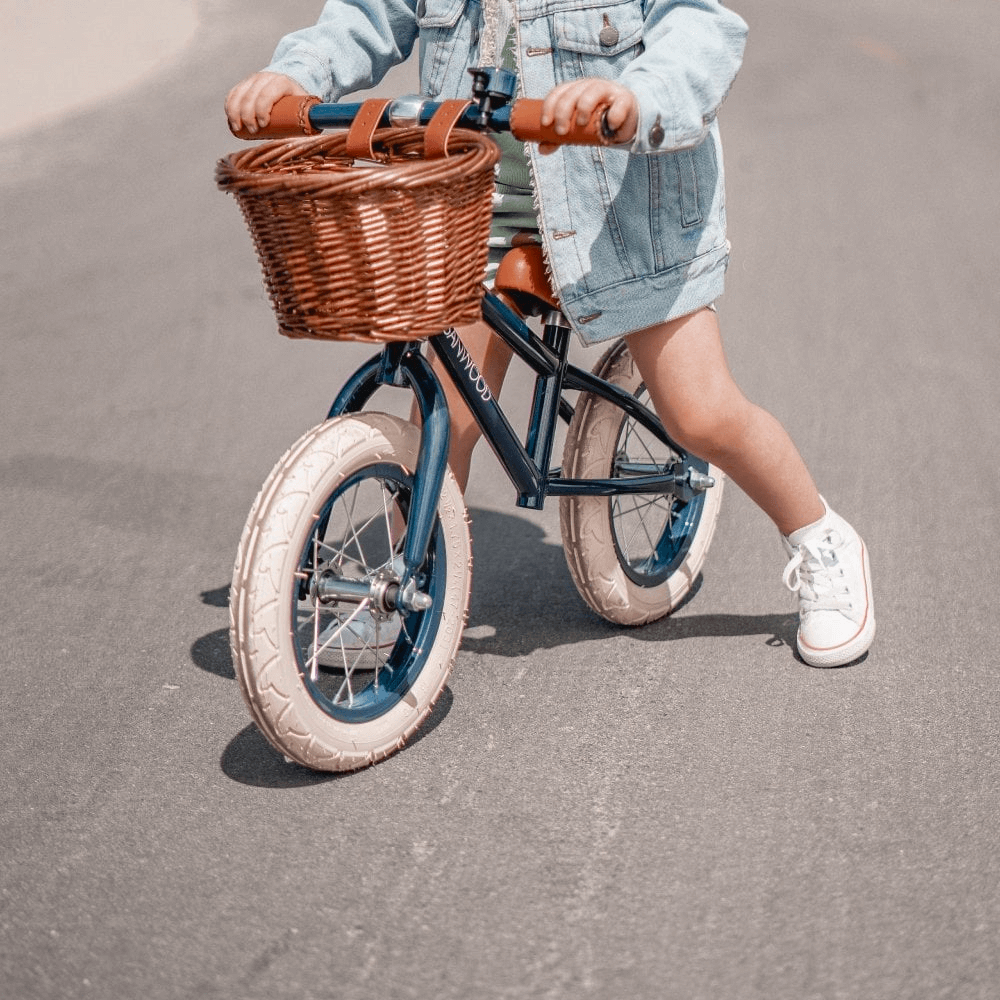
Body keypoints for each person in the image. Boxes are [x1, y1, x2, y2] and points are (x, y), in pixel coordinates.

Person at [225, 0, 875, 668]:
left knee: (700, 413)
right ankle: (401, 577)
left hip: (622, 222)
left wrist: (636, 96)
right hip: (470, 206)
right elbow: (365, 17)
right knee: (444, 414)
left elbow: (700, 29)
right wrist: (296, 75)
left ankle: (820, 537)